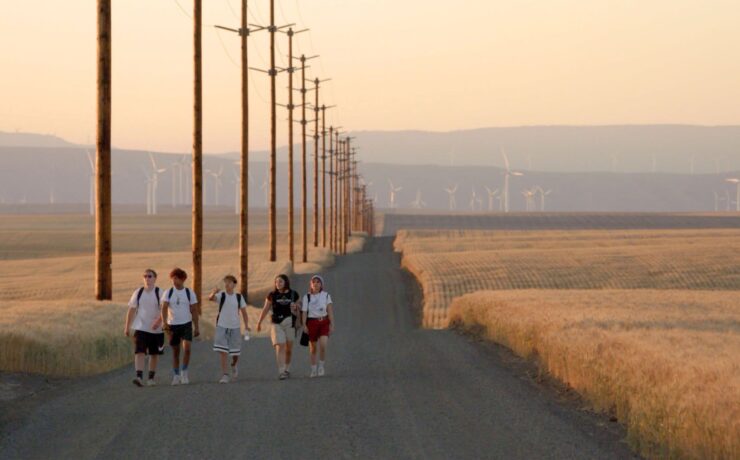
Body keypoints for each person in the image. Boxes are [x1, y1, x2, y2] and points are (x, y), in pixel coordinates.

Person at [124, 268, 165, 387]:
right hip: (141, 327)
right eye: (145, 276)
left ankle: (151, 378)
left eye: (150, 276)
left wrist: (159, 321)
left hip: (156, 329)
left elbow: (165, 309)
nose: (147, 278)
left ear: (155, 278)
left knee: (154, 353)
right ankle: (139, 376)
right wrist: (127, 327)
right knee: (139, 351)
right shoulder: (138, 292)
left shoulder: (159, 292)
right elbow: (131, 310)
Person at [257, 274, 301, 380]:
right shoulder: (272, 295)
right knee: (280, 345)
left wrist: (298, 316)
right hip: (276, 322)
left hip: (289, 321)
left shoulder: (293, 294)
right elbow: (265, 309)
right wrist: (259, 322)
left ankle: (287, 369)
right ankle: (281, 371)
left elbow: (299, 308)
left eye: (280, 281)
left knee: (288, 348)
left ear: (286, 282)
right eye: (276, 282)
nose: (278, 284)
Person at [208, 275, 250, 384]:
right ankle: (225, 375)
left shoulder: (238, 297)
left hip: (235, 327)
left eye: (229, 282)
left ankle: (234, 364)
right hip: (222, 326)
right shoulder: (221, 295)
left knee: (235, 352)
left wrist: (246, 325)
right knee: (223, 351)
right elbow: (211, 298)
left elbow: (244, 313)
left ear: (234, 284)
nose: (227, 284)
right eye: (225, 282)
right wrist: (213, 292)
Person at [161, 267, 199, 385]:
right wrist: (164, 322)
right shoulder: (168, 292)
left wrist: (196, 326)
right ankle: (176, 375)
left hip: (186, 324)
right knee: (175, 352)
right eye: (172, 278)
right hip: (173, 325)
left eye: (176, 278)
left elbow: (194, 309)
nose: (174, 280)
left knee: (187, 349)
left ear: (182, 279)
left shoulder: (189, 293)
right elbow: (164, 307)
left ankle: (184, 372)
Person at [301, 275, 334, 378]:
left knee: (323, 345)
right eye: (313, 282)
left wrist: (332, 324)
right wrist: (304, 325)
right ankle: (313, 369)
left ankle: (321, 366)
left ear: (321, 285)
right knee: (313, 348)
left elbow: (330, 310)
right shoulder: (306, 297)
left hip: (324, 321)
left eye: (318, 282)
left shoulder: (326, 295)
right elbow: (304, 312)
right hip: (312, 323)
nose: (316, 284)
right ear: (311, 284)